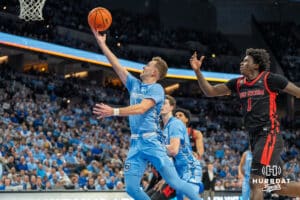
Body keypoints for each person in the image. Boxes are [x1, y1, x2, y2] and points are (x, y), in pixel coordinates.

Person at [91, 30, 201, 200]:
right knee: (132, 189)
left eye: (148, 65)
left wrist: (113, 111)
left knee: (175, 183)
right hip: (136, 143)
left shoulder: (157, 89)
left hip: (152, 142)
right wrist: (102, 44)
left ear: (154, 73)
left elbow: (142, 108)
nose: (144, 67)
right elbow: (117, 66)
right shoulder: (135, 85)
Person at [190, 48, 300, 200]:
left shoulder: (270, 79)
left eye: (246, 61)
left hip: (268, 135)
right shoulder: (239, 83)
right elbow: (210, 91)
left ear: (256, 65)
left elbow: (298, 92)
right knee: (278, 187)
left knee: (255, 183)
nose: (242, 63)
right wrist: (197, 71)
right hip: (255, 139)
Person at [160, 95, 203, 200]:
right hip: (178, 170)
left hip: (189, 168)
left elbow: (174, 150)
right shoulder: (166, 128)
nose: (178, 116)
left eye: (181, 115)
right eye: (176, 115)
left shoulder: (190, 131)